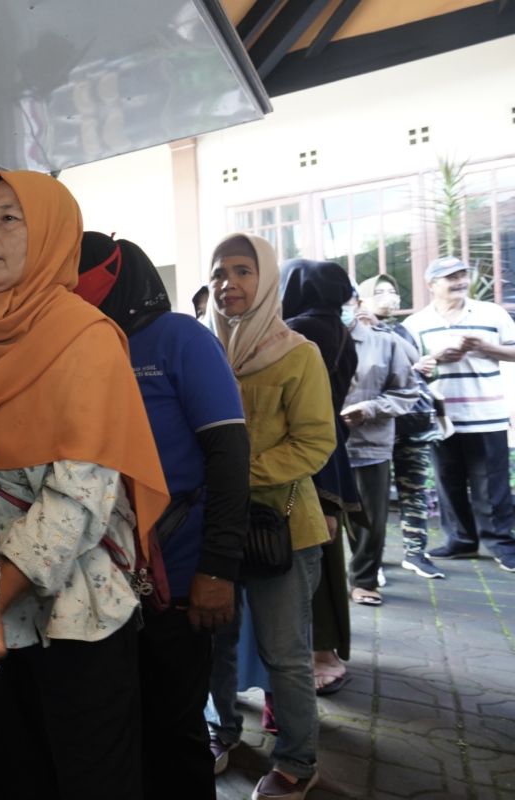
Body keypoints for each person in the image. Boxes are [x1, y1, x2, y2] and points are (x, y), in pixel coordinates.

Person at [0, 171, 170, 800]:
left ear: (54, 237)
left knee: (88, 781)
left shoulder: (86, 338)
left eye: (9, 219)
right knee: (8, 775)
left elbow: (79, 500)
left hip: (76, 619)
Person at [75, 232, 250, 798]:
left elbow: (229, 456)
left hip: (176, 578)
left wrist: (218, 570)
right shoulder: (85, 348)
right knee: (124, 728)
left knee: (175, 730)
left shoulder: (178, 338)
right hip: (102, 586)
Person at [204, 234, 336, 800]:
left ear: (267, 279)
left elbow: (315, 443)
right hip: (215, 527)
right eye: (218, 273)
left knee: (285, 654)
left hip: (281, 526)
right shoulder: (204, 351)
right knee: (214, 639)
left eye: (242, 270)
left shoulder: (296, 353)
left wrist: (236, 472)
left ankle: (297, 762)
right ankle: (221, 730)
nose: (228, 283)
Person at [279, 258, 362, 697]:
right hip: (330, 451)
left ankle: (322, 655)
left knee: (312, 555)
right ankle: (326, 651)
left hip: (306, 456)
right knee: (325, 555)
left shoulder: (298, 330)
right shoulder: (339, 328)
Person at [403, 256, 515, 572]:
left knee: (492, 484)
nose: (459, 281)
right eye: (450, 277)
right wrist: (433, 358)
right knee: (448, 481)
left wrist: (486, 348)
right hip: (441, 416)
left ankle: (501, 544)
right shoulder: (415, 323)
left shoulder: (492, 313)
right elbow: (406, 370)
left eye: (463, 274)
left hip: (486, 411)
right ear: (431, 285)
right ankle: (460, 541)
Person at [356, 273, 445, 579]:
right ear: (362, 298)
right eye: (379, 292)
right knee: (372, 502)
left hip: (411, 424)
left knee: (414, 490)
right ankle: (371, 562)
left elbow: (417, 374)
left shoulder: (405, 331)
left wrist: (427, 371)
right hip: (374, 429)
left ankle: (415, 552)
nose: (388, 297)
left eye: (392, 291)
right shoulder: (354, 331)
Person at [340, 290, 419, 604]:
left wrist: (370, 408)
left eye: (345, 303)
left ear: (358, 304)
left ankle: (364, 580)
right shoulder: (310, 339)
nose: (339, 310)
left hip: (369, 442)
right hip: (323, 445)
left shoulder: (384, 342)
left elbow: (407, 392)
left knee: (370, 518)